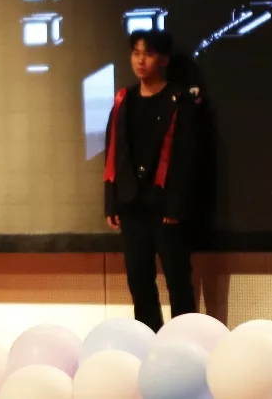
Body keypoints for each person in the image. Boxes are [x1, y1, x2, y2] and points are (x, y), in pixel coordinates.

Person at [104, 29, 202, 331]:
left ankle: (184, 341)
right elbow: (113, 152)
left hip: (165, 208)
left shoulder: (179, 100)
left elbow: (187, 158)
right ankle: (149, 343)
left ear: (163, 59)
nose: (140, 60)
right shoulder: (125, 100)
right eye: (136, 53)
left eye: (148, 54)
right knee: (139, 281)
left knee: (178, 281)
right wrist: (111, 202)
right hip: (132, 206)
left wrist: (175, 207)